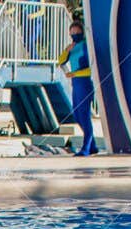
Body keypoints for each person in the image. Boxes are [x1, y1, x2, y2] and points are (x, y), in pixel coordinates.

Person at [59, 20, 98, 156]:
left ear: (82, 32)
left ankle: (86, 148)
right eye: (72, 32)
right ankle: (93, 146)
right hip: (75, 84)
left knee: (84, 115)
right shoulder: (72, 48)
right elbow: (60, 61)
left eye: (77, 32)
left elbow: (91, 69)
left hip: (85, 83)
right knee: (77, 114)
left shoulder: (86, 46)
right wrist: (66, 50)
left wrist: (75, 73)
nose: (74, 34)